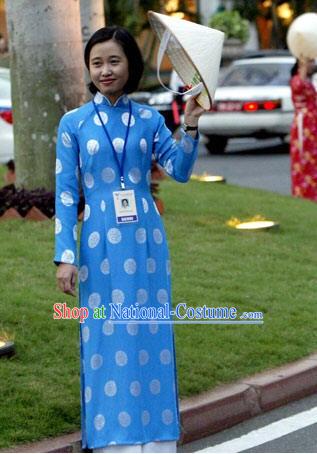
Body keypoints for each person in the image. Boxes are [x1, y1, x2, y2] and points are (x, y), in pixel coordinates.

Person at [54, 26, 205, 453]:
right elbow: (66, 195)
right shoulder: (74, 124)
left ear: (131, 66)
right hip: (98, 243)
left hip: (146, 244)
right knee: (105, 335)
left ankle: (156, 440)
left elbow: (178, 169)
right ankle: (110, 440)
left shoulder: (149, 120)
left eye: (114, 61)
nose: (105, 70)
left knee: (149, 333)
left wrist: (190, 124)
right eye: (97, 62)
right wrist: (64, 256)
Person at [290, 57, 317, 201]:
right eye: (310, 62)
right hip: (304, 125)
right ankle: (303, 192)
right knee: (303, 159)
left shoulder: (309, 82)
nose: (313, 65)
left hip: (313, 124)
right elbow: (297, 87)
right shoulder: (297, 80)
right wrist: (303, 68)